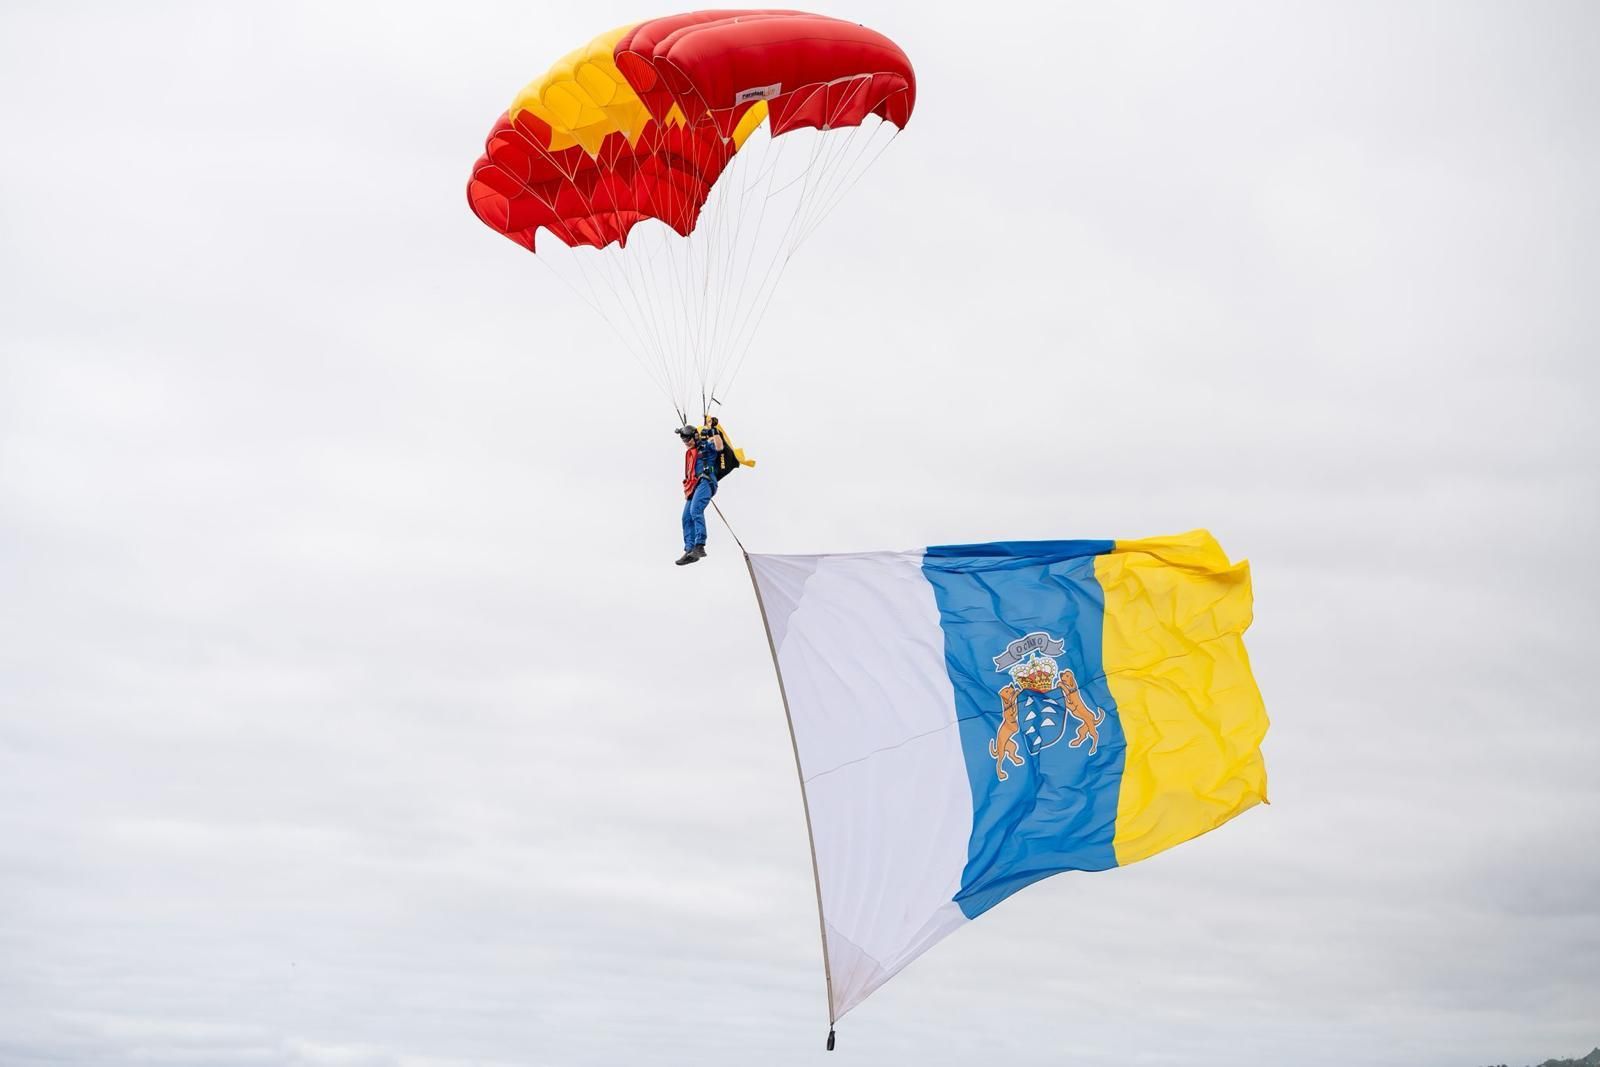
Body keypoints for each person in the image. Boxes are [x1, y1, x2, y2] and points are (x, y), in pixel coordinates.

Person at [676, 422, 723, 565]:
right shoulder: (691, 451)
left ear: (695, 437)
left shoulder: (705, 446)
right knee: (686, 517)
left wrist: (713, 430)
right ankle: (690, 550)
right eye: (684, 440)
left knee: (695, 509)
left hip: (706, 481)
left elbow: (719, 446)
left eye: (688, 440)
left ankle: (700, 545)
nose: (686, 443)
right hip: (694, 486)